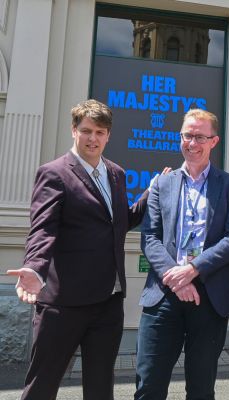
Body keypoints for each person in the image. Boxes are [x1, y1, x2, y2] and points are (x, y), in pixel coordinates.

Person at [6, 99, 150, 400]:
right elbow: (43, 228)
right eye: (86, 131)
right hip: (64, 303)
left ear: (108, 135)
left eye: (100, 132)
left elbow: (122, 220)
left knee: (100, 388)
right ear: (74, 131)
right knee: (43, 385)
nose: (92, 139)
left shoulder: (116, 174)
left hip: (108, 301)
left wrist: (154, 190)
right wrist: (34, 266)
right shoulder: (55, 173)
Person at [134, 109, 229, 400]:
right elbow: (150, 236)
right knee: (148, 386)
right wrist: (178, 279)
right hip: (164, 294)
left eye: (200, 137)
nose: (192, 143)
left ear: (214, 141)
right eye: (187, 135)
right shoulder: (161, 184)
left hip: (209, 298)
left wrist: (193, 269)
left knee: (200, 388)